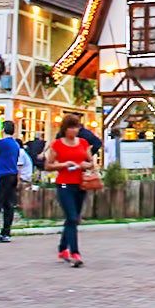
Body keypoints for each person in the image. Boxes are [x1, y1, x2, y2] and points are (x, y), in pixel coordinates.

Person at [44, 113, 93, 266]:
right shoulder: (57, 144)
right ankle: (75, 253)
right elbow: (48, 165)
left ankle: (62, 248)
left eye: (76, 127)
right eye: (71, 127)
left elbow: (91, 162)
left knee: (74, 218)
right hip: (64, 184)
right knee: (71, 217)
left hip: (80, 184)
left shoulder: (83, 143)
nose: (74, 130)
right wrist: (64, 165)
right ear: (65, 129)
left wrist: (85, 165)